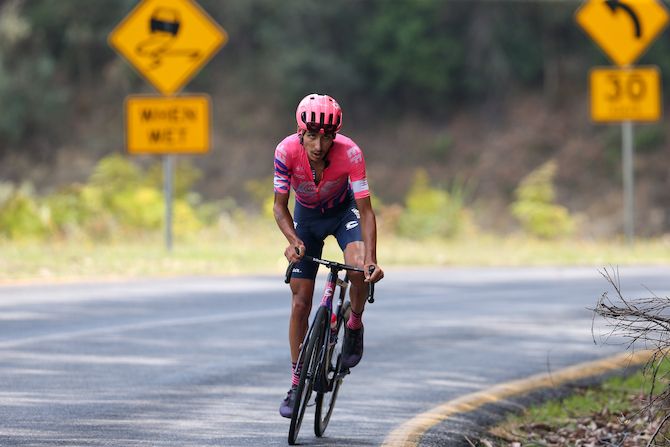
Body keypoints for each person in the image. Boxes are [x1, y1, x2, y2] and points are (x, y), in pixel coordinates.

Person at [273, 93, 384, 418]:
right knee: (300, 302)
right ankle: (296, 383)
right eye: (311, 136)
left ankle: (354, 324)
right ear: (300, 133)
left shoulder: (350, 153)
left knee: (357, 265)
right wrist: (293, 240)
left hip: (343, 213)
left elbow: (365, 211)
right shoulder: (285, 151)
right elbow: (280, 207)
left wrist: (372, 260)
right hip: (306, 220)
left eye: (326, 137)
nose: (319, 145)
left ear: (334, 136)